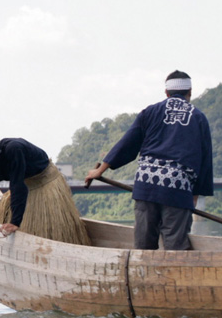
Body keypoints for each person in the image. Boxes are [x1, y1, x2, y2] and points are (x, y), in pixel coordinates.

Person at [83, 70, 213, 250]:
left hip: (147, 184)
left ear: (166, 92)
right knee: (175, 245)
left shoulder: (150, 112)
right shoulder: (198, 117)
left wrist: (100, 170)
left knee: (144, 243)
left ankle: (143, 266)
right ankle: (175, 266)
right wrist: (194, 196)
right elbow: (204, 161)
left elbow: (127, 143)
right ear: (190, 92)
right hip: (177, 187)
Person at [0, 120, 90, 247]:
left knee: (49, 228)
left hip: (44, 181)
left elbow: (17, 186)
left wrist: (15, 222)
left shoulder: (13, 149)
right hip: (25, 183)